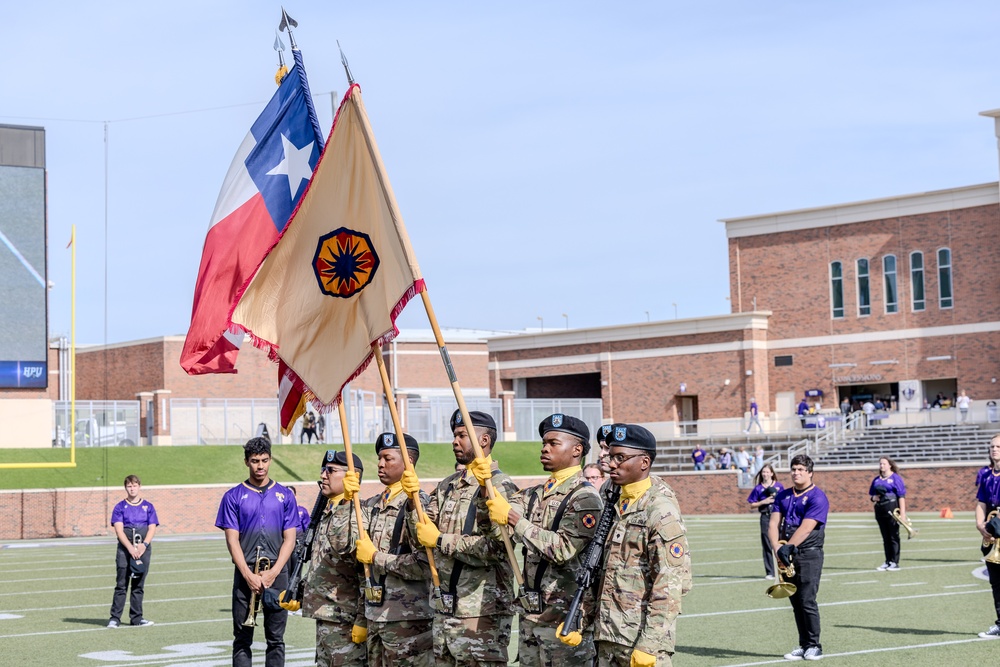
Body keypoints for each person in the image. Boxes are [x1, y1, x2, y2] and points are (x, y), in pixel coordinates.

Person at [402, 410, 518, 666]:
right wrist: (412, 502)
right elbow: (420, 537)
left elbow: (498, 548)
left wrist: (441, 539)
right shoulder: (447, 485)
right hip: (445, 608)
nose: (455, 441)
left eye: (462, 435)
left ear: (484, 441)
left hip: (480, 611)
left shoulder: (500, 486)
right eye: (454, 435)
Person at [486, 414, 603, 666]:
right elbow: (500, 519)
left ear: (577, 449)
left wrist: (516, 520)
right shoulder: (535, 494)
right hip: (531, 614)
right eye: (543, 443)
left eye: (553, 443)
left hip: (564, 617)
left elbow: (563, 549)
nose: (544, 448)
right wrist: (490, 475)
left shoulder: (584, 498)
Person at [592, 423, 691, 667]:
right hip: (608, 635)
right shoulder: (614, 500)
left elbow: (670, 585)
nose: (611, 463)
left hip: (640, 639)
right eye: (610, 456)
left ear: (644, 462)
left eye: (620, 457)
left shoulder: (659, 510)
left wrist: (649, 645)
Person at [346, 432, 434, 666]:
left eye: (388, 458)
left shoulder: (418, 504)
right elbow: (344, 546)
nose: (380, 464)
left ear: (408, 462)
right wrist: (346, 500)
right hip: (375, 615)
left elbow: (424, 565)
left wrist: (377, 558)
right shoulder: (371, 504)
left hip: (408, 620)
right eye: (379, 458)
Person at [215, 437, 299, 667]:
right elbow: (232, 541)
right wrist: (248, 575)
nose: (260, 466)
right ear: (246, 462)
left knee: (276, 639)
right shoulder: (232, 496)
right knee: (242, 639)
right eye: (254, 461)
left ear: (270, 460)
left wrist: (274, 571)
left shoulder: (285, 495)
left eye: (264, 460)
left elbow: (289, 539)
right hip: (246, 574)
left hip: (276, 574)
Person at [302, 450, 368, 666]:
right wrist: (301, 590)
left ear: (352, 477)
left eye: (330, 471)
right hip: (325, 617)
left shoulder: (357, 515)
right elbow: (327, 564)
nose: (323, 475)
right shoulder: (325, 512)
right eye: (323, 470)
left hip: (345, 620)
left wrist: (362, 619)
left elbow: (364, 573)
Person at [769, 454, 829, 661]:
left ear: (810, 473)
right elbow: (773, 524)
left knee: (807, 600)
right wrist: (777, 548)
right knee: (795, 601)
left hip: (809, 553)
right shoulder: (783, 495)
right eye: (794, 469)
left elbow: (807, 527)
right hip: (788, 552)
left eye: (801, 469)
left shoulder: (817, 497)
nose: (796, 472)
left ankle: (814, 645)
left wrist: (789, 546)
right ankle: (804, 644)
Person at [107, 474, 158, 628]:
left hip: (143, 551)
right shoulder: (120, 507)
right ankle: (115, 618)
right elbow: (119, 530)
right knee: (121, 584)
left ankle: (136, 618)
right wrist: (130, 548)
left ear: (139, 487)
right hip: (124, 550)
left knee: (138, 585)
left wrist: (144, 545)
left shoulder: (148, 506)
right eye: (129, 486)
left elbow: (152, 527)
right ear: (125, 488)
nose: (132, 488)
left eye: (134, 485)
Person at [976, 434, 1000, 639]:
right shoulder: (985, 474)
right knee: (996, 581)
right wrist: (980, 524)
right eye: (992, 446)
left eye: (999, 446)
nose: (995, 449)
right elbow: (981, 503)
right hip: (992, 529)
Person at [746, 464, 784, 579]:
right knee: (767, 544)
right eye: (763, 472)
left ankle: (783, 568)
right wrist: (764, 501)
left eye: (767, 472)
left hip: (778, 516)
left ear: (772, 473)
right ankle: (770, 572)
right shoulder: (758, 488)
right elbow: (752, 504)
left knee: (781, 542)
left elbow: (784, 500)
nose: (765, 474)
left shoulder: (779, 486)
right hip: (765, 516)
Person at [869, 457, 907, 571]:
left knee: (893, 536)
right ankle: (888, 561)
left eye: (884, 464)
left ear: (890, 465)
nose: (881, 466)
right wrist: (873, 498)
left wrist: (903, 513)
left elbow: (901, 496)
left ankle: (895, 562)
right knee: (885, 537)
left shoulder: (895, 478)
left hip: (892, 506)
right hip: (880, 509)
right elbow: (872, 495)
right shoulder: (876, 480)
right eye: (880, 464)